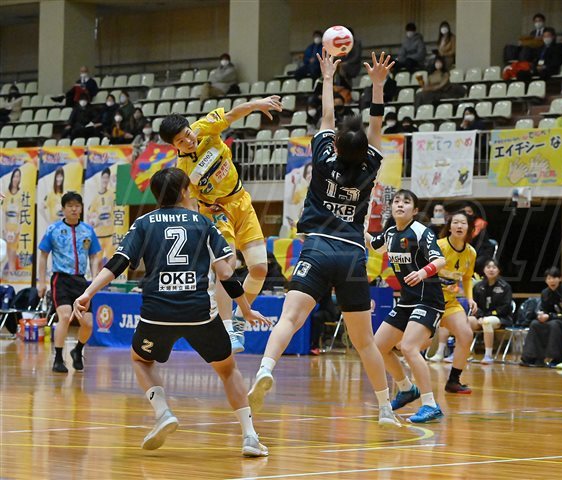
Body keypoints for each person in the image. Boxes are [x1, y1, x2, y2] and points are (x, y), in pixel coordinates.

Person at [246, 50, 403, 428]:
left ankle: (265, 369)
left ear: (334, 145)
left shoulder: (322, 157)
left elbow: (327, 116)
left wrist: (329, 77)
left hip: (317, 247)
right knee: (364, 342)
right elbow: (377, 123)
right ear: (364, 151)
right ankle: (385, 408)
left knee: (290, 318)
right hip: (351, 256)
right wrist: (378, 85)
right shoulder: (370, 165)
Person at [72, 167, 271, 455]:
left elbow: (118, 262)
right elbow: (227, 273)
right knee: (228, 370)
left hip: (157, 312)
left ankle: (163, 412)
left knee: (141, 360)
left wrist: (88, 292)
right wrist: (246, 309)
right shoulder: (203, 223)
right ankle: (250, 436)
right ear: (184, 191)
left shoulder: (143, 223)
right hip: (200, 313)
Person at [159, 94, 281, 353]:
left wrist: (257, 105)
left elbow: (233, 114)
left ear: (190, 128)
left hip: (242, 201)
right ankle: (227, 329)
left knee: (260, 269)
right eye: (180, 141)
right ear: (174, 146)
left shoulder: (205, 127)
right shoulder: (182, 170)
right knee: (228, 267)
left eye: (187, 134)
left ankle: (239, 317)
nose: (188, 141)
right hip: (216, 212)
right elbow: (187, 201)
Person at [369, 189, 446, 422]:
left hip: (428, 300)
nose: (400, 205)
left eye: (406, 202)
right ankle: (406, 389)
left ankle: (430, 405)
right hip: (407, 301)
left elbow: (440, 259)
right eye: (396, 201)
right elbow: (374, 245)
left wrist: (422, 273)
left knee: (409, 347)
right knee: (378, 347)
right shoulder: (390, 233)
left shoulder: (421, 232)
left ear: (415, 210)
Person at [37, 192, 101, 373]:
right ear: (63, 209)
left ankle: (77, 350)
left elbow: (94, 256)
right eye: (70, 206)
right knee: (64, 316)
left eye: (77, 206)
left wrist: (95, 279)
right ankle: (58, 358)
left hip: (81, 281)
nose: (74, 209)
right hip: (61, 279)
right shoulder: (53, 230)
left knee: (88, 323)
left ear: (81, 208)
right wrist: (41, 282)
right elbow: (43, 255)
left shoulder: (88, 231)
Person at [427, 211, 476, 394]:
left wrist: (470, 298)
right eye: (455, 222)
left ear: (469, 228)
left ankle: (453, 381)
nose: (459, 226)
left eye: (463, 223)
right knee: (417, 345)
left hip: (449, 303)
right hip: (429, 301)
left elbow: (467, 277)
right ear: (449, 227)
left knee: (466, 334)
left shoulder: (471, 253)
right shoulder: (439, 246)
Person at [520, 267, 562, 367]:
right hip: (554, 320)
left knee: (554, 324)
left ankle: (555, 358)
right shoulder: (545, 293)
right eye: (549, 278)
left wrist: (550, 316)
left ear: (560, 279)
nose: (551, 281)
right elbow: (545, 309)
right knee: (535, 324)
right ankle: (531, 357)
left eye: (554, 278)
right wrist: (541, 315)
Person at [468, 258, 513, 364]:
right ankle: (461, 352)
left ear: (498, 270)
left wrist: (486, 316)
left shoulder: (505, 287)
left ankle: (488, 356)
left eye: (494, 267)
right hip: (481, 318)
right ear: (484, 270)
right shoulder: (478, 287)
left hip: (500, 318)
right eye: (488, 267)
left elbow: (505, 307)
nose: (491, 270)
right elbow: (474, 305)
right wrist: (479, 316)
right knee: (465, 321)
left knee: (487, 322)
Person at [86, 168, 115, 263]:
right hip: (99, 235)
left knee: (111, 262)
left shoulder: (112, 195)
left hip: (110, 235)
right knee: (97, 261)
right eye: (104, 177)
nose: (105, 180)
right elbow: (89, 216)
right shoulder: (96, 198)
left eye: (107, 178)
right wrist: (92, 223)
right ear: (101, 178)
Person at [2, 168, 22, 272]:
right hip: (7, 227)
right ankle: (7, 273)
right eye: (14, 176)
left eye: (18, 176)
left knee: (13, 251)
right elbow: (3, 213)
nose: (16, 179)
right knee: (6, 251)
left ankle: (12, 271)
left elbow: (21, 214)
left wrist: (18, 229)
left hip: (15, 228)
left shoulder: (21, 194)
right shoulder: (6, 193)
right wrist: (4, 229)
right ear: (12, 178)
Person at [309, 290, 338, 355]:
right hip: (321, 310)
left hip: (329, 312)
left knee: (316, 317)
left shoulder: (325, 287)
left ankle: (315, 346)